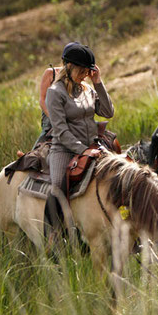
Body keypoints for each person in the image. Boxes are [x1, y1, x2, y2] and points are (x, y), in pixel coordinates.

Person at [45, 42, 114, 242]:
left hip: (93, 146)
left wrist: (98, 83)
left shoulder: (87, 89)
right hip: (64, 149)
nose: (85, 75)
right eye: (82, 70)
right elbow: (61, 131)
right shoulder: (55, 92)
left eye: (87, 71)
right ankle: (54, 236)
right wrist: (83, 150)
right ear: (69, 67)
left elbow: (108, 112)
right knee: (57, 186)